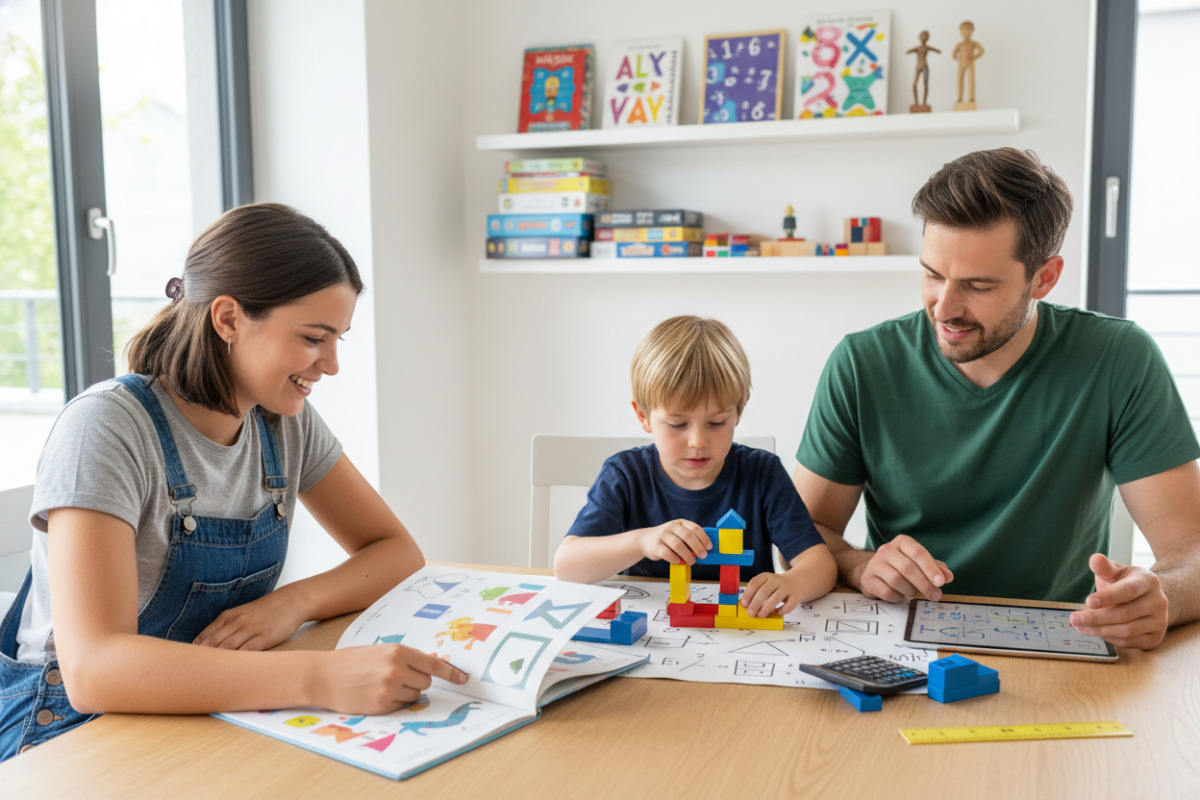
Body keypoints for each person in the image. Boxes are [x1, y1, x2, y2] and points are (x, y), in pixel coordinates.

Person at [0, 203, 466, 761]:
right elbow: (95, 670)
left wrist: (291, 605)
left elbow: (395, 551)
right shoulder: (106, 427)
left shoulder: (282, 422)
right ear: (228, 320)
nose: (332, 364)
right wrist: (319, 676)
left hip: (207, 710)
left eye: (338, 337)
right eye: (315, 337)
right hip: (70, 727)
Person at [794, 148, 1200, 651]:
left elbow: (1191, 550)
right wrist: (859, 566)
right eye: (933, 275)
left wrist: (1163, 596)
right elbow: (805, 532)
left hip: (1058, 645)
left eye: (978, 285)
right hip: (899, 644)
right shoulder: (861, 363)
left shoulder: (1118, 358)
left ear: (1045, 278)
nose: (944, 307)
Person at [555, 316, 836, 617]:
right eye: (677, 424)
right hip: (655, 635)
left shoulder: (761, 473)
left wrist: (793, 581)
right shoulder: (625, 474)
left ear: (739, 410)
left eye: (716, 423)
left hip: (740, 632)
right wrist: (642, 541)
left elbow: (820, 564)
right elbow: (567, 565)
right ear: (643, 415)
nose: (697, 441)